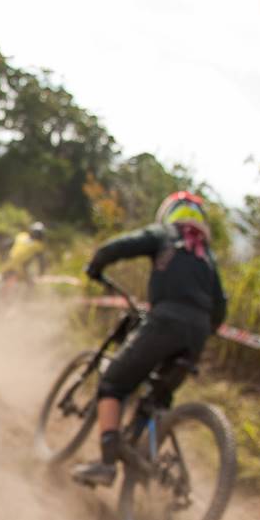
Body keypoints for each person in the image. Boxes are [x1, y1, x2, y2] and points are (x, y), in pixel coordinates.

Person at [71, 191, 227, 486]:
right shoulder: (207, 255)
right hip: (197, 334)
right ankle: (141, 455)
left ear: (170, 213)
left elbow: (121, 246)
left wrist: (97, 264)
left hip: (165, 321)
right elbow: (220, 308)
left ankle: (107, 464)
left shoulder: (166, 234)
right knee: (158, 396)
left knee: (113, 383)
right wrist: (203, 328)